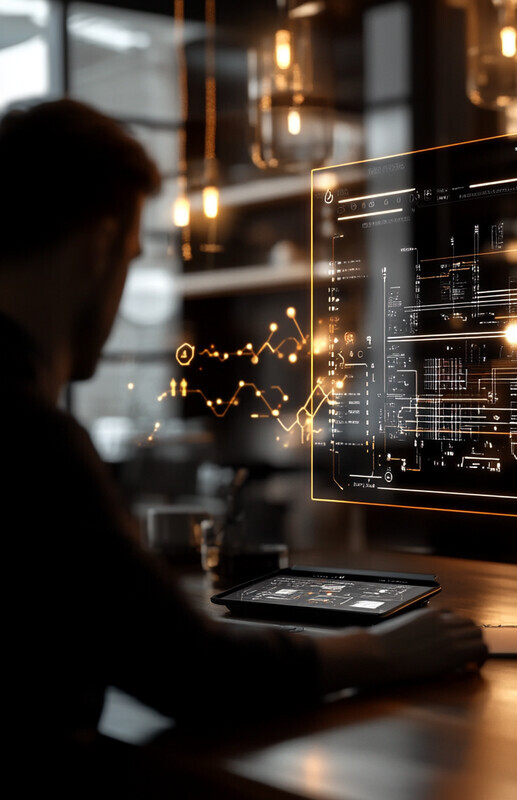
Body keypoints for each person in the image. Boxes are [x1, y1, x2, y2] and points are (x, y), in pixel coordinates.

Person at [0, 99, 486, 792]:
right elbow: (194, 674)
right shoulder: (32, 440)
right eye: (132, 257)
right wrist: (379, 655)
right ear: (99, 245)